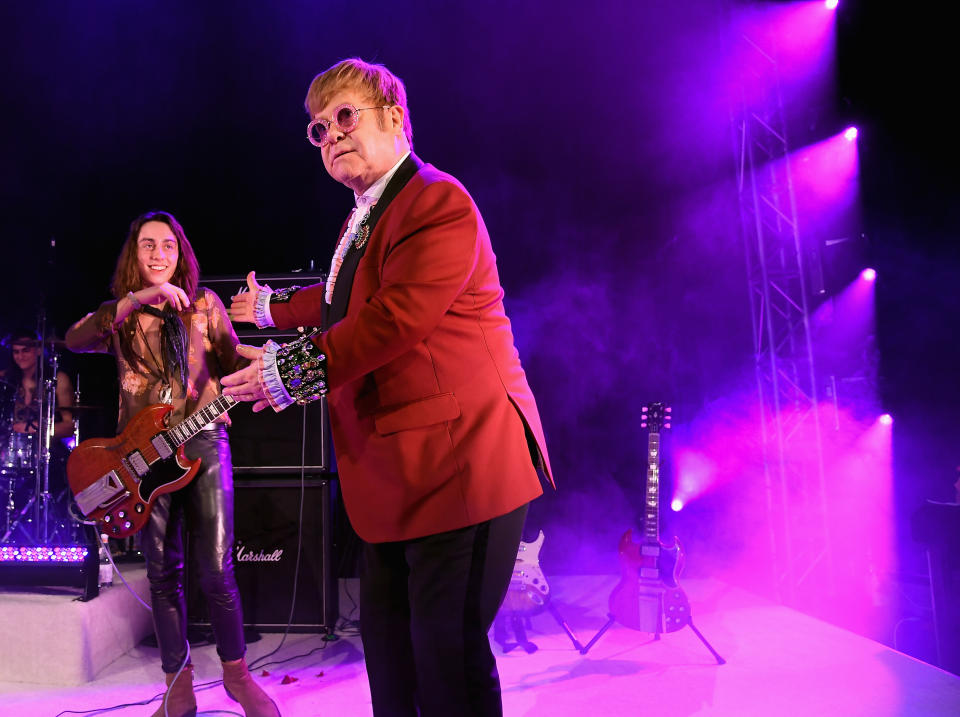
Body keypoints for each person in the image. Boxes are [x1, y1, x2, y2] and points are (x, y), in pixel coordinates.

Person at [222, 58, 554, 716]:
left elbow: (391, 318)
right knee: (391, 655)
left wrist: (286, 369)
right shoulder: (367, 217)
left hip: (462, 463)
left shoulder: (437, 201)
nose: (332, 133)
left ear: (394, 120)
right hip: (399, 475)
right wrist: (270, 311)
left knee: (446, 657)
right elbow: (344, 294)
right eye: (318, 128)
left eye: (346, 116)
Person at [65, 211, 279, 717]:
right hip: (141, 461)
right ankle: (176, 687)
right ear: (133, 256)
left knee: (217, 569)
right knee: (162, 573)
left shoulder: (203, 305)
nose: (159, 254)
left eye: (168, 246)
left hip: (202, 440)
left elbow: (230, 357)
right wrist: (137, 300)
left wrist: (269, 359)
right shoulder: (117, 316)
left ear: (180, 254)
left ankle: (237, 677)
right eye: (147, 246)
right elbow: (74, 338)